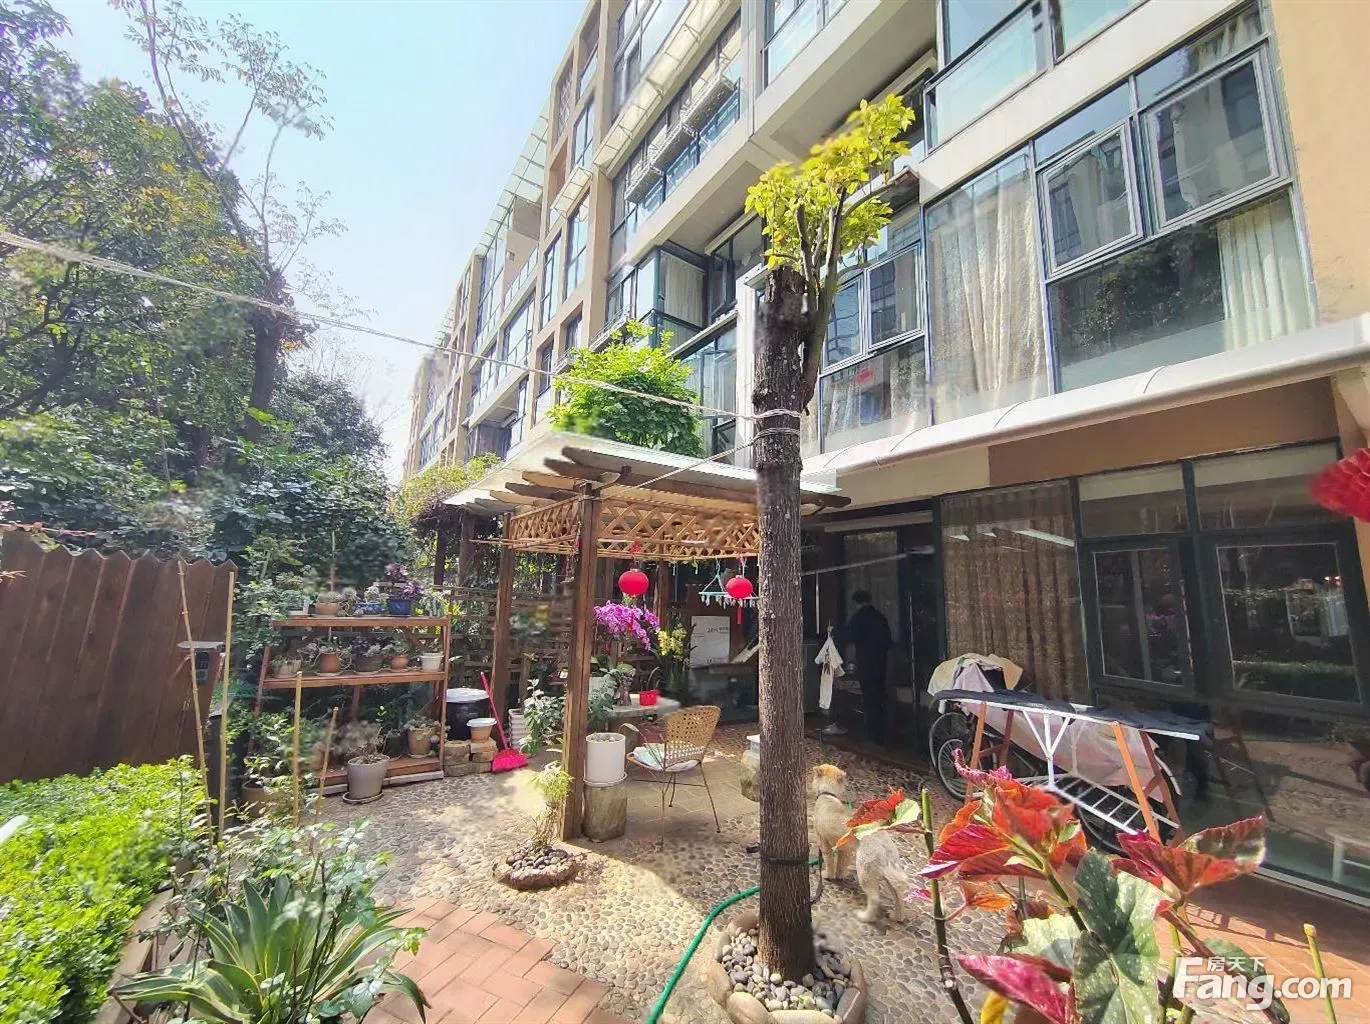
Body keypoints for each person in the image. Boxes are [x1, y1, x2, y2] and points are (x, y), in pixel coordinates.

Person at [841, 590, 893, 746]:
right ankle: (883, 733)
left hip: (866, 662)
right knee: (880, 696)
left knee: (870, 698)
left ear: (856, 603)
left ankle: (873, 734)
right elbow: (888, 640)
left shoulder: (859, 618)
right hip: (881, 662)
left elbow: (848, 636)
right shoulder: (880, 616)